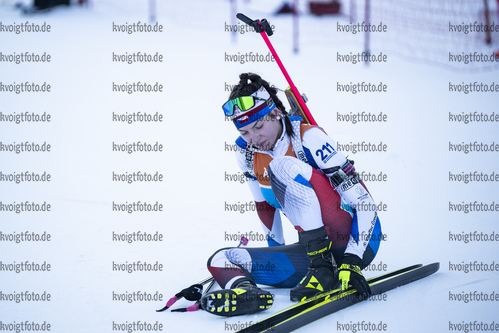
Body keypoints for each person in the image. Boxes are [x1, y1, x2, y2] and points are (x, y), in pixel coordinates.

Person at [200, 73, 382, 316]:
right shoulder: (246, 151)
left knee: (280, 166)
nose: (254, 138)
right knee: (223, 258)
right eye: (245, 132)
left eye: (259, 126)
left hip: (354, 242)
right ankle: (245, 292)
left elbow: (365, 203)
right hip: (312, 253)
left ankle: (323, 269)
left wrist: (352, 259)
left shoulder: (308, 138)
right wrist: (276, 252)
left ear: (275, 113)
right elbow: (264, 206)